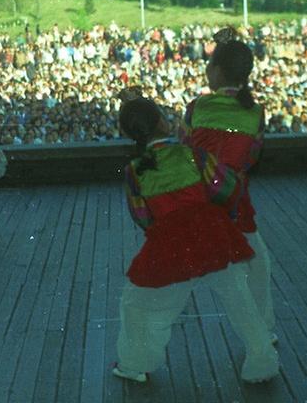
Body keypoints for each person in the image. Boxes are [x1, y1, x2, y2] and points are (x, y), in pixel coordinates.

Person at [113, 91, 278, 384]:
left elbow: (142, 217)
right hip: (214, 236)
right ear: (163, 122)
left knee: (138, 304)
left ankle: (134, 364)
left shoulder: (134, 171)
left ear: (127, 133)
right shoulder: (193, 155)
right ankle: (262, 361)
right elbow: (225, 188)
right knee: (240, 300)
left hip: (171, 245)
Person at [179, 32, 276, 340]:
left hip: (198, 201)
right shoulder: (257, 112)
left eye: (209, 64)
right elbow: (252, 157)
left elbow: (184, 150)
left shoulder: (197, 107)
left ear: (218, 72)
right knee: (257, 264)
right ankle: (263, 330)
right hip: (235, 200)